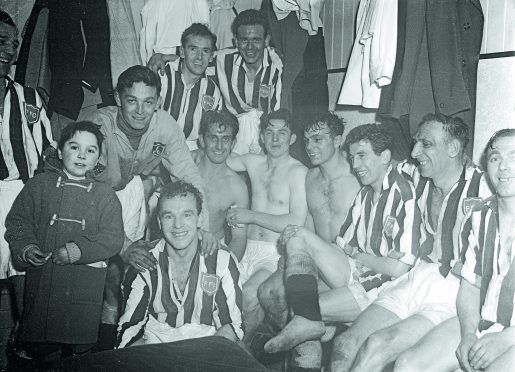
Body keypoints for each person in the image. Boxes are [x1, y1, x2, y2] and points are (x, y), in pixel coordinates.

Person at [330, 114, 491, 372]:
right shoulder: (415, 175)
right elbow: (378, 161)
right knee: (346, 344)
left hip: (453, 290)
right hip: (416, 277)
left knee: (378, 346)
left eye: (425, 144)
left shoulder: (485, 188)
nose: (415, 152)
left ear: (453, 148)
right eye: (415, 143)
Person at [262, 124, 416, 358]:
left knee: (304, 311)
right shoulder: (364, 193)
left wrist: (359, 254)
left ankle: (309, 332)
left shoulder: (404, 195)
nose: (356, 166)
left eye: (362, 156)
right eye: (353, 157)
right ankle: (310, 324)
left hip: (382, 286)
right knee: (296, 233)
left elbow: (396, 268)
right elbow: (343, 243)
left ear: (385, 157)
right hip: (355, 269)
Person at [86, 65, 211, 340]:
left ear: (158, 102)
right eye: (132, 101)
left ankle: (118, 337)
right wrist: (123, 245)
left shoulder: (164, 124)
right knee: (99, 276)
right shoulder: (99, 125)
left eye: (148, 102)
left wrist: (203, 226)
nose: (140, 111)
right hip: (90, 202)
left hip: (131, 194)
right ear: (118, 98)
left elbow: (189, 176)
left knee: (124, 276)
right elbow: (91, 195)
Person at [392, 129, 515, 372]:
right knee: (407, 365)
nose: (503, 167)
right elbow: (470, 285)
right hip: (486, 322)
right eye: (495, 158)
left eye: (514, 157)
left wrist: (508, 338)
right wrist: (468, 334)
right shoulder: (479, 215)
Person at [5, 121, 124, 361]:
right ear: (60, 151)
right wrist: (27, 247)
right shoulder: (38, 185)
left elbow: (113, 238)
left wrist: (77, 250)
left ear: (99, 157)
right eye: (74, 147)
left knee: (79, 347)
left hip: (85, 284)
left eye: (90, 150)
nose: (82, 155)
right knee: (40, 345)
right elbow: (17, 222)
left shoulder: (105, 195)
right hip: (45, 280)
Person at [257, 112, 360, 368]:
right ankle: (310, 357)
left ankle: (318, 329)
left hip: (351, 265)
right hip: (321, 259)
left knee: (300, 308)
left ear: (337, 140)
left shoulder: (357, 175)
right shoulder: (310, 178)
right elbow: (311, 227)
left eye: (318, 139)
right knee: (269, 293)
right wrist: (290, 260)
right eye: (306, 140)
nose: (310, 147)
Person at [117, 181, 243, 347]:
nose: (178, 225)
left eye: (187, 215)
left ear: (200, 219)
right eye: (169, 216)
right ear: (160, 222)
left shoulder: (222, 260)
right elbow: (130, 331)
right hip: (156, 348)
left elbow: (231, 326)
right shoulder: (144, 262)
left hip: (207, 346)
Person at [149, 10, 283, 155]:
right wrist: (162, 56)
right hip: (235, 128)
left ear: (267, 40)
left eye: (256, 40)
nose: (250, 47)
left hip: (265, 128)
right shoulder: (223, 59)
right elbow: (196, 59)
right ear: (236, 42)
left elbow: (277, 115)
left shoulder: (278, 67)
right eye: (244, 40)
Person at [225, 108, 308, 343]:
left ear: (292, 138)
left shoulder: (298, 172)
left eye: (282, 133)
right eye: (269, 132)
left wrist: (250, 216)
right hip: (244, 246)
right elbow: (217, 156)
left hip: (273, 253)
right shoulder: (253, 162)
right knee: (223, 292)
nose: (275, 139)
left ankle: (243, 350)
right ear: (261, 136)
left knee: (249, 293)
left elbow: (295, 220)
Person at [0, 10, 53, 295]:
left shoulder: (29, 97)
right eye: (1, 41)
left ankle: (22, 339)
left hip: (23, 196)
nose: (9, 50)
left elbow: (48, 153)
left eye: (14, 43)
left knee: (23, 272)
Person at [159, 23, 222, 150]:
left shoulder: (212, 90)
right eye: (193, 49)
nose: (199, 57)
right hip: (158, 144)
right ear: (182, 52)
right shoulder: (162, 76)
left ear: (211, 57)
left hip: (192, 150)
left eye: (205, 51)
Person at [196, 111, 249, 261]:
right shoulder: (185, 169)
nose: (219, 146)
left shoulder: (237, 187)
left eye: (225, 139)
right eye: (213, 138)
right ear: (202, 140)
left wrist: (225, 267)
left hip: (213, 252)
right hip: (179, 245)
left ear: (233, 143)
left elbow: (239, 238)